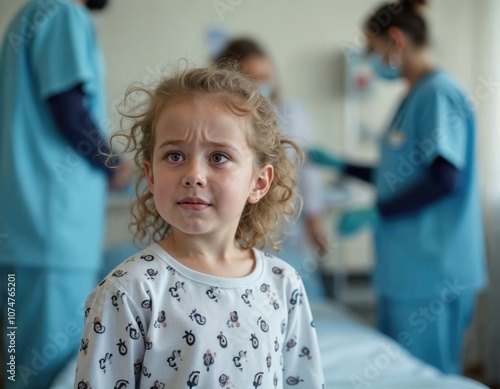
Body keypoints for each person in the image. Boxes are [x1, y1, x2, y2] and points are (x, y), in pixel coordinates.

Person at [73, 65, 325, 388]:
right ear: (150, 176)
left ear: (258, 182)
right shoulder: (129, 292)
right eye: (175, 155)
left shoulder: (284, 286)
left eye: (219, 157)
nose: (194, 174)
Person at [308, 0, 487, 375]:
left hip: (432, 270)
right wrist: (341, 164)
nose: (370, 61)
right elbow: (400, 176)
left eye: (372, 50)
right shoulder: (413, 95)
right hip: (407, 270)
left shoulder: (438, 93)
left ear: (396, 41)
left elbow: (444, 180)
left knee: (425, 376)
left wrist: (378, 212)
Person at [0, 1, 131, 388]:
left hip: (21, 229)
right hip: (54, 233)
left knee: (15, 362)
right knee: (46, 371)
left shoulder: (26, 17)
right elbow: (70, 109)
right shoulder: (62, 13)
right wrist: (113, 164)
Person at [215, 38, 329, 302]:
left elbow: (306, 174)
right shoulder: (220, 118)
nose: (261, 85)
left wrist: (314, 222)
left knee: (289, 292)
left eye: (266, 77)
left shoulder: (291, 115)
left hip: (284, 227)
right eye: (251, 78)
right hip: (235, 226)